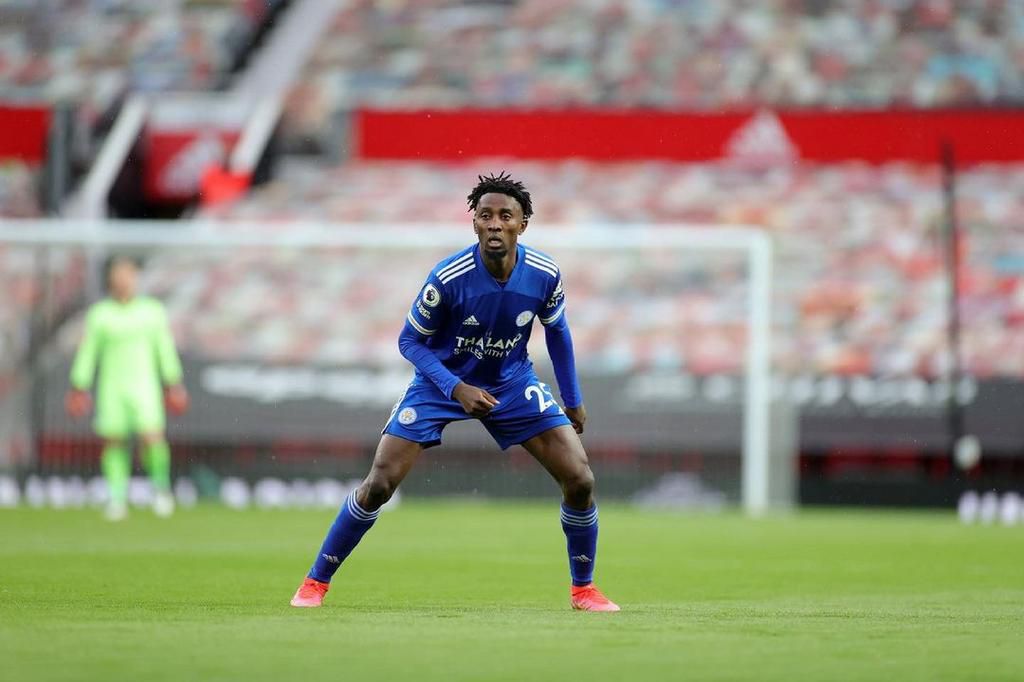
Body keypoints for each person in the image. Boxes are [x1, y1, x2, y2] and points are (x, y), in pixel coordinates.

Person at [290, 172, 619, 612]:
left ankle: (584, 590)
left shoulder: (544, 274)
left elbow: (557, 332)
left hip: (512, 381)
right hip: (440, 382)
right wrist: (455, 386)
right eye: (486, 216)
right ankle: (315, 581)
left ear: (523, 224)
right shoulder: (449, 277)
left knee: (580, 480)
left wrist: (572, 398)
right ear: (475, 224)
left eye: (506, 216)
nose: (495, 224)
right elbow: (409, 342)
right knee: (380, 484)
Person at [66, 256, 189, 520]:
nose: (124, 281)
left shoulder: (151, 311)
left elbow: (163, 348)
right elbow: (88, 352)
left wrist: (173, 382)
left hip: (144, 385)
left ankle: (161, 490)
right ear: (111, 279)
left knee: (152, 437)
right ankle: (117, 498)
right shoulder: (100, 315)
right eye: (119, 275)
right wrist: (79, 385)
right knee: (114, 441)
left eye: (128, 275)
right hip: (112, 387)